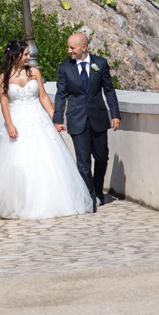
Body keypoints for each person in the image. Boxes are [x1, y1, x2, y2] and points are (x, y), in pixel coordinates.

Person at [0, 41, 94, 220]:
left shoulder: (34, 72)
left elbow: (43, 96)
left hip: (38, 119)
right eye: (25, 54)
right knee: (19, 161)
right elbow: (4, 102)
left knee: (47, 159)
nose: (28, 57)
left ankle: (51, 201)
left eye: (28, 54)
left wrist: (55, 119)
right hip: (18, 121)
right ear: (14, 56)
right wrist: (10, 124)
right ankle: (20, 202)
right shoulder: (4, 77)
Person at [53, 33, 121, 212]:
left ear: (84, 48)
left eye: (72, 48)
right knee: (83, 162)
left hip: (98, 118)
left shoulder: (100, 64)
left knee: (102, 157)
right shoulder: (64, 68)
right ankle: (89, 198)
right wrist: (58, 119)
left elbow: (109, 90)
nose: (69, 51)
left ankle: (98, 190)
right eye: (68, 48)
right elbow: (60, 95)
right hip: (77, 119)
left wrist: (115, 114)